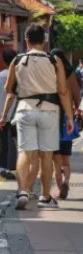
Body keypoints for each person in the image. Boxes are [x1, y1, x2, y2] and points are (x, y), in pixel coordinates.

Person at [0, 24, 75, 209]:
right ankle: (45, 196)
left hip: (25, 109)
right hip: (49, 110)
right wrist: (70, 118)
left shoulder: (17, 59)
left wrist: (4, 114)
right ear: (44, 40)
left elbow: (8, 90)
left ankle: (23, 191)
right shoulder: (54, 60)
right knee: (46, 156)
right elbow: (63, 92)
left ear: (26, 40)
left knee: (25, 151)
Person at [51, 49, 81, 200]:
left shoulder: (50, 72)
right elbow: (77, 95)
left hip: (51, 118)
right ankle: (67, 182)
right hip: (66, 118)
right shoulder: (70, 73)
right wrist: (78, 110)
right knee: (66, 159)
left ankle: (58, 188)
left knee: (56, 161)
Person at [0, 50, 19, 181]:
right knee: (15, 143)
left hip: (1, 115)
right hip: (17, 114)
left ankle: (6, 167)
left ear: (3, 60)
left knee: (4, 143)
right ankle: (11, 168)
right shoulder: (20, 76)